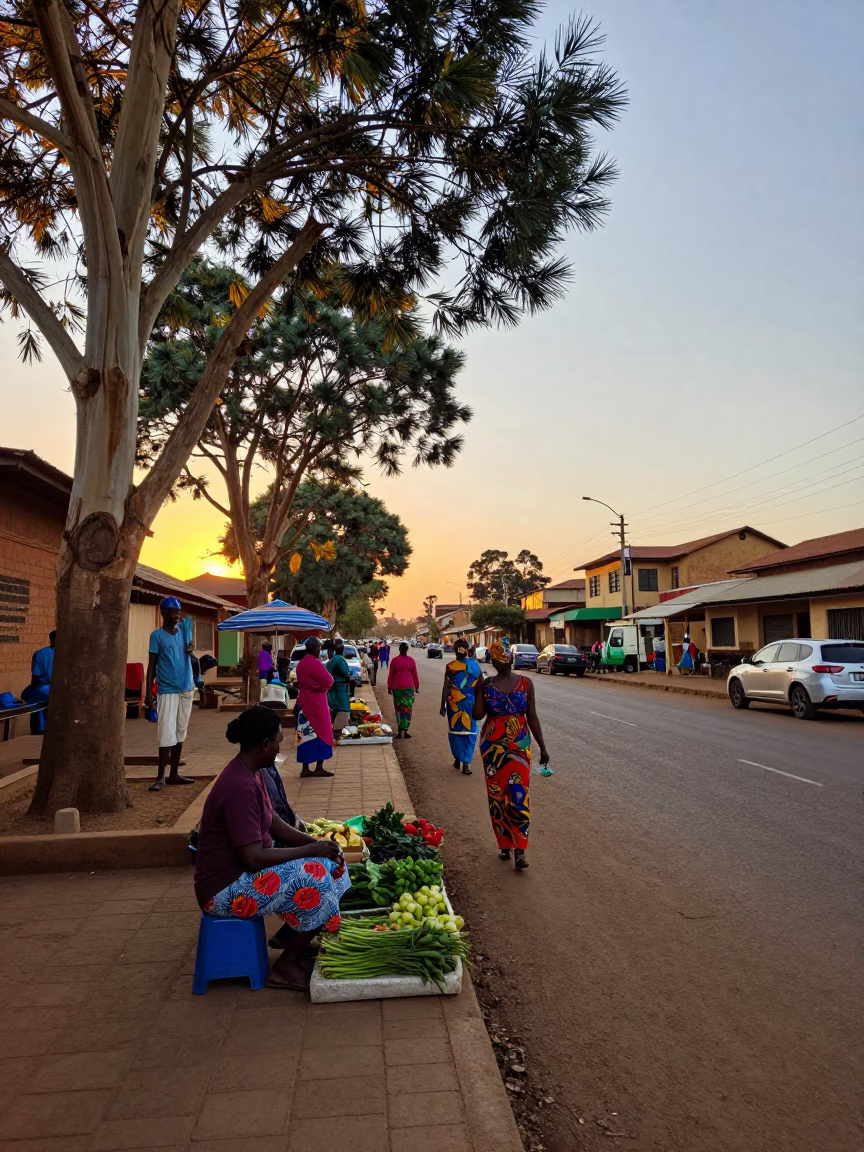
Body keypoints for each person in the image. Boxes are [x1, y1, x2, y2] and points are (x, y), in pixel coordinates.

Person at [193, 706, 350, 992]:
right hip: (223, 889)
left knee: (335, 866)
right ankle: (285, 967)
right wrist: (308, 852)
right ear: (265, 744)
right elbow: (252, 859)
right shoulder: (238, 786)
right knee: (316, 878)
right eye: (279, 740)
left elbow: (273, 822)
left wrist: (314, 843)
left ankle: (295, 938)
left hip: (241, 874)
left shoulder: (253, 771)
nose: (281, 745)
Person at [473, 637, 549, 870]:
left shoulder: (511, 684)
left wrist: (542, 747)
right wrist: (543, 748)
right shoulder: (516, 684)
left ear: (494, 662)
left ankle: (513, 848)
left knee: (507, 795)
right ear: (509, 660)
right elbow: (530, 717)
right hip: (507, 747)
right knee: (509, 795)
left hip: (506, 747)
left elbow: (478, 715)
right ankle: (512, 847)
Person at [145, 597, 196, 792]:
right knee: (166, 732)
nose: (177, 615)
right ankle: (160, 777)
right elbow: (152, 665)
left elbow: (189, 653)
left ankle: (174, 774)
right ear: (163, 613)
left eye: (179, 611)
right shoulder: (156, 636)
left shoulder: (184, 631)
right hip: (167, 688)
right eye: (174, 612)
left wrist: (191, 650)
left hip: (186, 686)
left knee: (180, 730)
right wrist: (149, 691)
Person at [294, 637, 335, 778]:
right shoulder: (315, 664)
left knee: (304, 735)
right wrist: (320, 687)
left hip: (303, 703)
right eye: (319, 647)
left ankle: (305, 768)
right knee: (323, 732)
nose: (320, 650)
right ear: (314, 648)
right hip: (317, 703)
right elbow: (329, 680)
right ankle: (319, 767)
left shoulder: (300, 664)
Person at [440, 638, 481, 774]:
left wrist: (443, 705)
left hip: (453, 703)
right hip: (470, 702)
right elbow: (481, 687)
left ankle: (458, 759)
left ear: (455, 650)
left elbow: (446, 687)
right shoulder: (475, 665)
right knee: (470, 732)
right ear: (467, 650)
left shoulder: (450, 666)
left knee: (455, 731)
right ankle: (466, 764)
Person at [21, 630, 55, 734]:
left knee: (33, 698)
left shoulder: (39, 654)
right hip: (50, 691)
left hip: (41, 690)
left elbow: (35, 678)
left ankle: (39, 729)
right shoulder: (68, 655)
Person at [388, 641, 420, 739]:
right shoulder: (411, 660)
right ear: (407, 649)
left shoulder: (394, 660)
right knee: (407, 709)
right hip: (408, 687)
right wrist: (417, 686)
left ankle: (399, 730)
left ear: (399, 649)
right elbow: (414, 675)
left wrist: (389, 687)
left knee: (398, 708)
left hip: (396, 687)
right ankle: (405, 730)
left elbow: (391, 675)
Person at [326, 639, 352, 741]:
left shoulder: (332, 660)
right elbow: (346, 674)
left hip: (332, 689)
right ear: (342, 650)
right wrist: (348, 678)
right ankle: (336, 733)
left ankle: (335, 732)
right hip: (339, 688)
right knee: (343, 709)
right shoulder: (339, 660)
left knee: (335, 709)